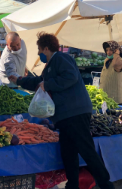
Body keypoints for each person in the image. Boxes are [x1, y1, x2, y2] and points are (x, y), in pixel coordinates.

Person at [9, 32, 114, 189]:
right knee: (68, 152)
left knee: (86, 150)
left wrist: (49, 84)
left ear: (46, 48)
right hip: (65, 117)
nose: (38, 53)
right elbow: (39, 82)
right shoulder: (50, 66)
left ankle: (106, 185)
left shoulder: (60, 58)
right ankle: (72, 186)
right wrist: (20, 80)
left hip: (75, 113)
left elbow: (71, 77)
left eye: (39, 50)